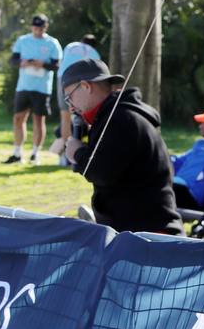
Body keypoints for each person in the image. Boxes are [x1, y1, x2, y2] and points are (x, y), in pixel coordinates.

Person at [62, 57, 182, 234]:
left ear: (86, 87)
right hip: (138, 229)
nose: (71, 107)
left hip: (149, 235)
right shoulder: (116, 115)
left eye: (69, 97)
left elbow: (100, 172)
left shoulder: (120, 118)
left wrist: (77, 152)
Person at [4, 14, 62, 164]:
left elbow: (57, 66)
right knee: (18, 119)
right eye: (35, 27)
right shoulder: (23, 40)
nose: (37, 30)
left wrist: (42, 64)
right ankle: (17, 154)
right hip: (23, 86)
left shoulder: (52, 43)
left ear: (45, 27)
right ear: (32, 27)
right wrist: (22, 62)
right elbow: (13, 60)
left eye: (41, 28)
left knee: (38, 120)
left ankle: (35, 153)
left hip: (42, 88)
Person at [55, 33, 102, 165]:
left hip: (64, 79)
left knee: (65, 117)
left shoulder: (71, 46)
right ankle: (83, 152)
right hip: (83, 82)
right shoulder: (95, 53)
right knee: (86, 116)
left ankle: (65, 156)